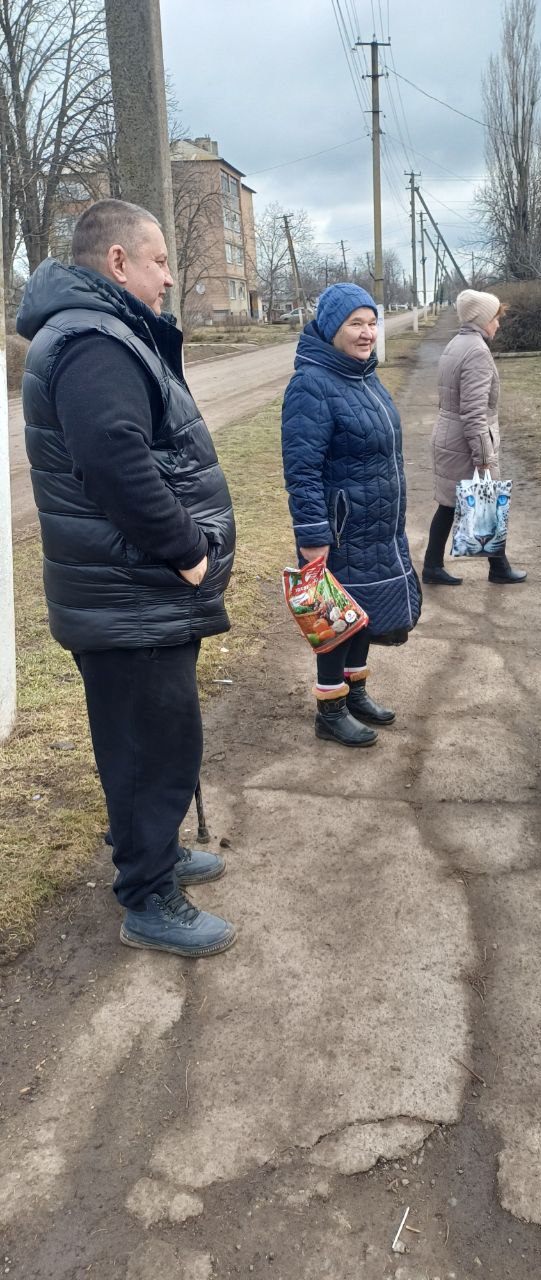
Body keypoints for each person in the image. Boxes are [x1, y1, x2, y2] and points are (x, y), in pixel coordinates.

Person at [17, 199, 237, 958]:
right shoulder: (91, 340)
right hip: (131, 592)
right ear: (118, 262)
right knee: (152, 745)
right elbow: (116, 461)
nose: (169, 278)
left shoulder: (95, 330)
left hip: (129, 592)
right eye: (160, 261)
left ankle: (155, 848)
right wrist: (188, 551)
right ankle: (148, 897)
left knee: (144, 738)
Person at [281, 282, 421, 747]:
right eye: (355, 323)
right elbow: (302, 469)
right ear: (330, 329)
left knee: (364, 610)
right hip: (338, 531)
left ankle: (355, 692)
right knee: (333, 620)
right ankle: (330, 709)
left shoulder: (363, 375)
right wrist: (312, 535)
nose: (367, 333)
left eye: (371, 322)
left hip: (374, 523)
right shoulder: (311, 384)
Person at [422, 288, 526, 587]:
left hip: (450, 435)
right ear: (482, 319)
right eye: (495, 318)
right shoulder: (477, 351)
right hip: (466, 442)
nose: (498, 324)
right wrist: (483, 458)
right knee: (485, 499)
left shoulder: (457, 343)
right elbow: (474, 412)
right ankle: (497, 568)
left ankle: (434, 566)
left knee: (449, 504)